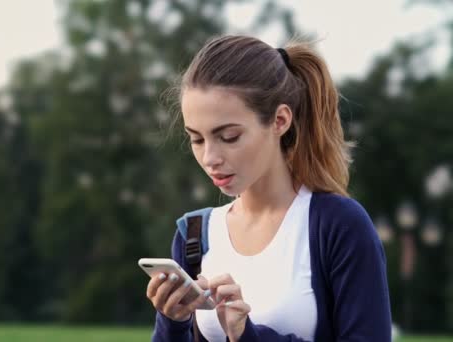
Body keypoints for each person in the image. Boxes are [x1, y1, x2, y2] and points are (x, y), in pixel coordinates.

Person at [145, 35, 392, 341]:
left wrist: (248, 336)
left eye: (229, 136)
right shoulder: (193, 235)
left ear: (280, 120)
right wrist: (173, 322)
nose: (210, 158)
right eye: (196, 139)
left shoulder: (339, 225)